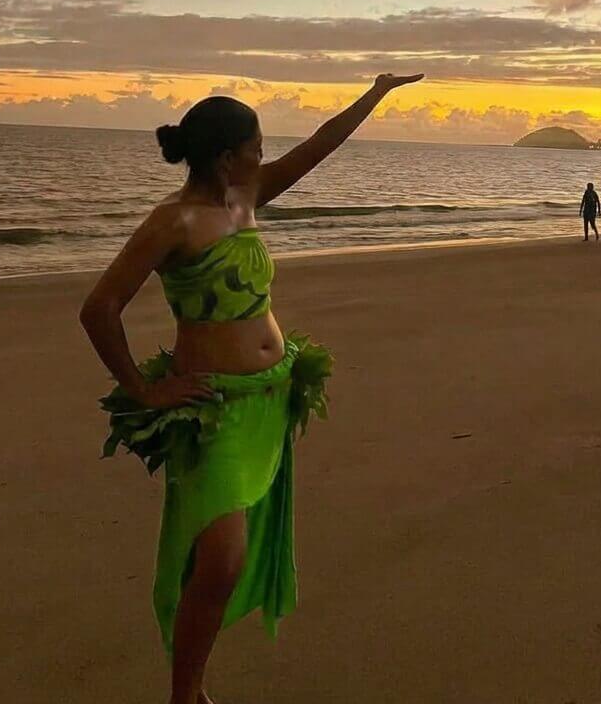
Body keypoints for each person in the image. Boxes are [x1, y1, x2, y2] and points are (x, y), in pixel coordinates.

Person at [79, 73, 423, 704]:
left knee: (224, 557)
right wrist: (141, 389)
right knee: (221, 557)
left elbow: (319, 145)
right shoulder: (171, 224)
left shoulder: (246, 200)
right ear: (224, 155)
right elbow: (99, 308)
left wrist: (377, 93)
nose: (264, 156)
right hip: (213, 410)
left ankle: (190, 690)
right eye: (257, 147)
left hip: (268, 398)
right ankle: (186, 693)